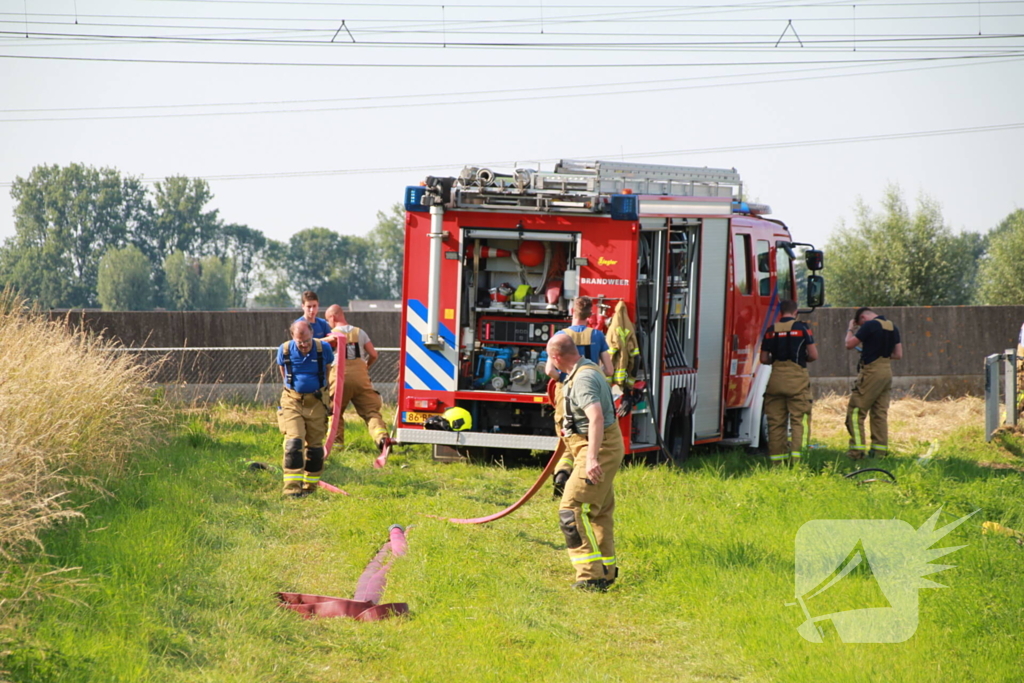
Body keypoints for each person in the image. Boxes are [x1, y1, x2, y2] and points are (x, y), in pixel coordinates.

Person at [546, 334, 624, 592]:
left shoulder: (584, 379)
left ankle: (590, 577)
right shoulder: (579, 370)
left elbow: (596, 418)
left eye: (550, 356)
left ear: (557, 357)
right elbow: (554, 375)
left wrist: (591, 458)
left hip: (598, 448)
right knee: (599, 512)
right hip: (591, 446)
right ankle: (606, 571)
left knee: (570, 510)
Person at [545, 296, 614, 496]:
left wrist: (564, 379)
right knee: (588, 435)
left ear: (571, 312)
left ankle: (562, 472)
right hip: (590, 392)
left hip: (565, 394)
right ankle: (581, 479)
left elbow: (549, 370)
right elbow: (609, 369)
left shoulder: (559, 336)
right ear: (590, 314)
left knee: (567, 437)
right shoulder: (598, 336)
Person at [276, 320, 335, 497]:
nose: (304, 345)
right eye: (299, 342)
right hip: (292, 401)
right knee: (294, 443)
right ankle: (291, 490)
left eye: (307, 341)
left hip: (317, 401)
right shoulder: (285, 349)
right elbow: (283, 371)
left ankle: (310, 487)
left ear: (312, 334)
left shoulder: (323, 348)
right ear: (292, 337)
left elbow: (328, 372)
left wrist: (328, 398)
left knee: (315, 448)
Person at [323, 304, 390, 450]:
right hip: (361, 377)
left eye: (328, 319)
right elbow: (374, 354)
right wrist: (365, 367)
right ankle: (382, 438)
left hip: (340, 377)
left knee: (335, 412)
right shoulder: (360, 332)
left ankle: (336, 443)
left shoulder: (330, 335)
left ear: (332, 317)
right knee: (371, 411)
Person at [760, 300, 818, 464]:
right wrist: (802, 358)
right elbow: (813, 355)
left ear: (780, 312)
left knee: (776, 423)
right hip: (797, 379)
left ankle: (777, 463)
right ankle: (798, 461)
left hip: (776, 379)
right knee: (800, 421)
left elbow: (764, 359)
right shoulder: (802, 328)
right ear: (796, 312)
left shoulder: (771, 330)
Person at [844, 307, 903, 459]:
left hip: (871, 372)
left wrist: (851, 329)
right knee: (879, 414)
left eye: (859, 324)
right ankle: (879, 453)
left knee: (856, 412)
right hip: (886, 371)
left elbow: (849, 344)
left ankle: (856, 452)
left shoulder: (870, 325)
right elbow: (898, 355)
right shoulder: (892, 326)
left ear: (863, 318)